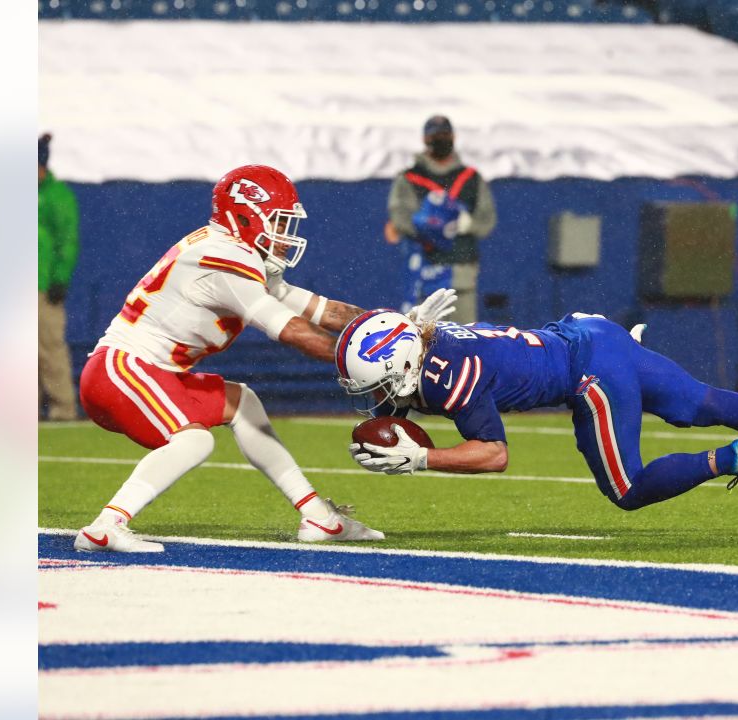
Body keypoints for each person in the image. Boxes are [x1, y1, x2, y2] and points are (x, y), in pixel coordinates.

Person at [72, 164, 456, 553]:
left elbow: (324, 311)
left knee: (242, 403)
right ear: (246, 215)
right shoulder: (226, 259)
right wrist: (366, 360)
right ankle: (106, 526)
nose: (286, 235)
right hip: (122, 370)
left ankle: (318, 518)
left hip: (147, 372)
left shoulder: (237, 254)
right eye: (278, 221)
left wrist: (397, 326)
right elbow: (292, 330)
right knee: (194, 442)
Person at [337, 312, 738, 523]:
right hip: (592, 332)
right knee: (704, 403)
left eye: (379, 383)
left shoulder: (450, 377)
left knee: (627, 488)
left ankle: (734, 456)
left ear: (405, 366)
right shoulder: (430, 343)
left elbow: (494, 455)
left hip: (588, 372)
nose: (377, 397)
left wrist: (423, 458)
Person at [386, 115, 496, 324]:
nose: (441, 139)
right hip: (425, 270)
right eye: (435, 135)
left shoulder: (471, 178)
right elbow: (400, 217)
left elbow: (487, 220)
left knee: (467, 336)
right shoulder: (409, 178)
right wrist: (431, 226)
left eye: (445, 134)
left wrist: (467, 224)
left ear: (453, 136)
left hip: (462, 269)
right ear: (425, 139)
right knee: (426, 337)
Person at [39, 133, 81, 421]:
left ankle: (62, 409)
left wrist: (59, 279)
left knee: (50, 346)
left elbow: (67, 242)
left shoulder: (56, 196)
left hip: (42, 286)